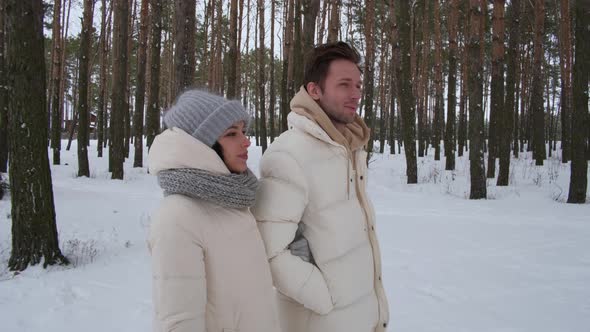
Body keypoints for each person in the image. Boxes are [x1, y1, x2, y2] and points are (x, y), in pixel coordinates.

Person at [252, 41, 390, 332]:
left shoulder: (349, 149)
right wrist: (326, 298)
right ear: (314, 90)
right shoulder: (289, 154)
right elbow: (268, 250)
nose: (356, 94)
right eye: (344, 85)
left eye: (358, 85)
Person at [147, 89, 280, 332]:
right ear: (201, 145)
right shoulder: (178, 217)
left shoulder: (236, 201)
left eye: (243, 131)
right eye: (231, 133)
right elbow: (179, 323)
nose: (246, 141)